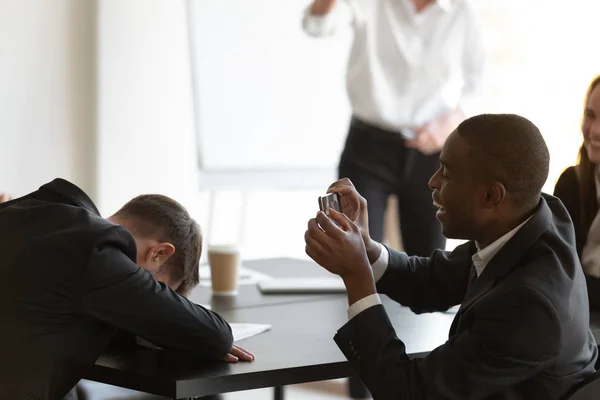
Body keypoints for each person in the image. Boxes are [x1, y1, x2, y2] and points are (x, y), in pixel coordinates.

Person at [304, 114, 598, 399]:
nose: (432, 182)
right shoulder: (529, 220)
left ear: (491, 196)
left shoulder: (529, 304)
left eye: (446, 172)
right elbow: (432, 280)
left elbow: (406, 392)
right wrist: (368, 250)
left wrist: (357, 278)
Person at [0, 178, 253, 400]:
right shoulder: (98, 251)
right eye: (158, 289)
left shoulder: (32, 211)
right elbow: (217, 336)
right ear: (160, 253)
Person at [302, 0, 484, 257]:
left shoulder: (463, 10)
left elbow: (478, 83)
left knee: (430, 262)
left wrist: (449, 123)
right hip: (368, 148)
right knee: (355, 254)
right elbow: (317, 25)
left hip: (432, 151)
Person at [554, 75, 600, 310]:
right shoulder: (571, 183)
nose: (595, 131)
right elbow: (559, 276)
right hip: (578, 325)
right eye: (590, 115)